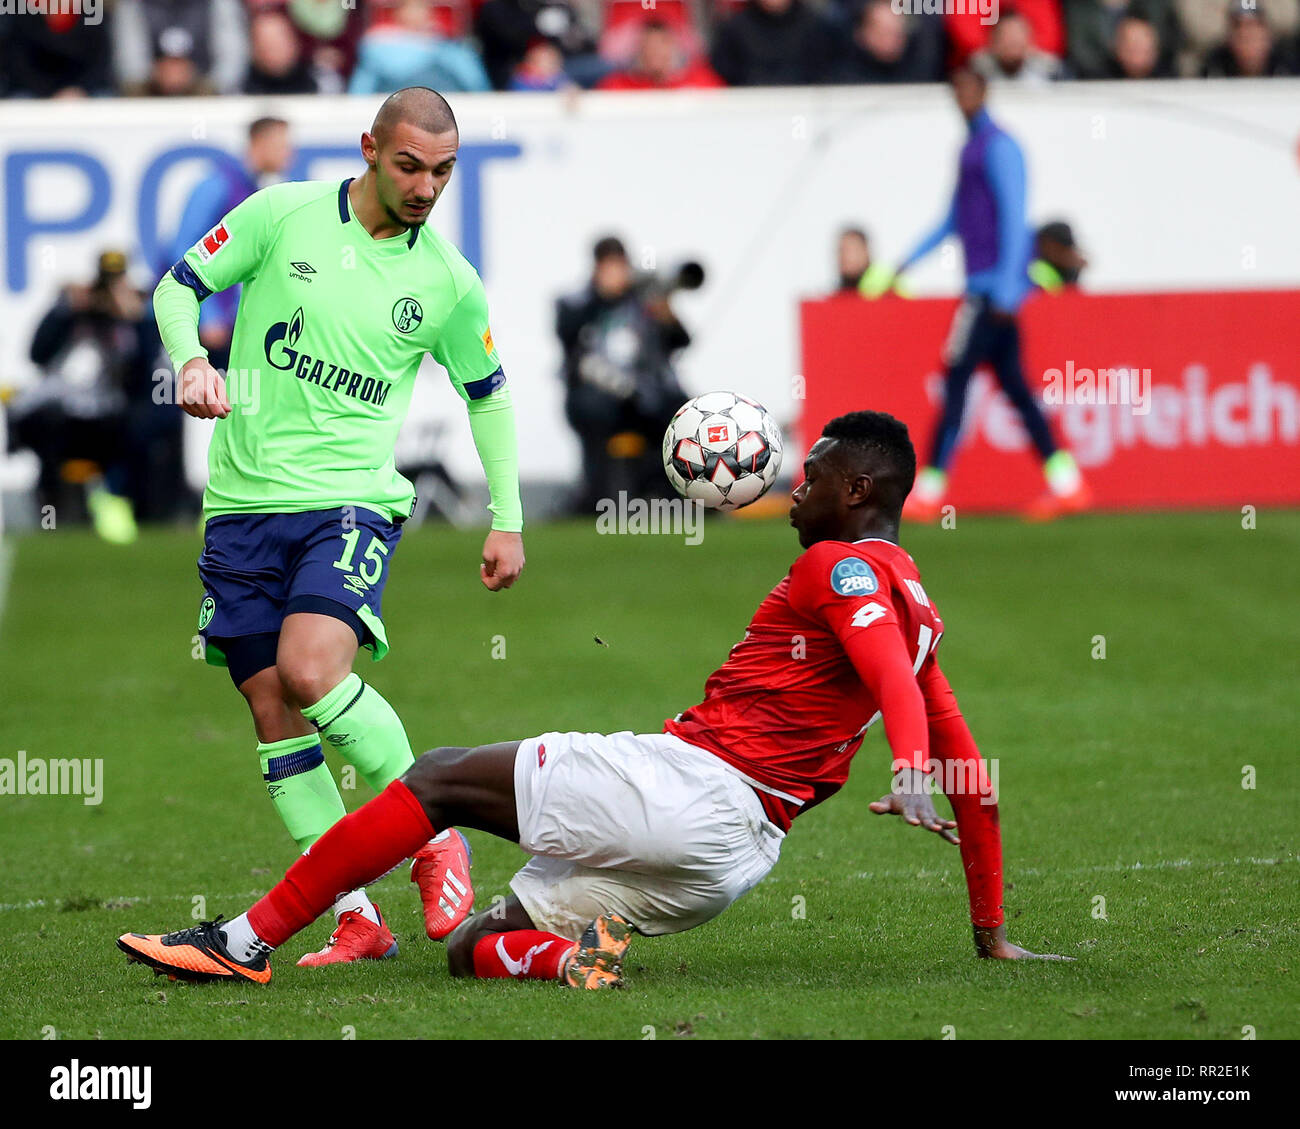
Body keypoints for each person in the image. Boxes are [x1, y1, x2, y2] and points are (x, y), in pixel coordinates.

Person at [118, 410, 1069, 990]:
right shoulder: (917, 602)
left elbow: (892, 683)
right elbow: (974, 777)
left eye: (812, 474)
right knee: (479, 947)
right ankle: (569, 955)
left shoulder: (842, 566)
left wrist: (905, 763)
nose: (794, 487)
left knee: (441, 778)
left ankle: (241, 942)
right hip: (730, 867)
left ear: (857, 488)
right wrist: (990, 933)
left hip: (692, 788)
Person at [149, 87, 526, 966]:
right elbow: (178, 287)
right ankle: (354, 912)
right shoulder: (283, 215)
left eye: (442, 171)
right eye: (408, 165)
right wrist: (192, 360)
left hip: (349, 500)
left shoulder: (447, 281)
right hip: (241, 505)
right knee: (271, 705)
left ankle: (436, 835)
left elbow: (488, 395)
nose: (426, 186)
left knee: (310, 670)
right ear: (368, 148)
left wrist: (507, 518)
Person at [884, 70, 1090, 523]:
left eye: (968, 88)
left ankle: (931, 490)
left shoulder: (1000, 147)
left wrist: (1006, 290)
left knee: (957, 383)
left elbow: (1016, 221)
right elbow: (953, 219)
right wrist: (907, 260)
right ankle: (1068, 483)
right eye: (955, 89)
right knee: (1015, 391)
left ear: (983, 91)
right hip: (987, 292)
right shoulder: (970, 150)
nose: (961, 97)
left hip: (989, 294)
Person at [556, 236, 692, 514]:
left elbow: (681, 341)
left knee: (680, 411)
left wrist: (665, 311)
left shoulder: (644, 301)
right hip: (597, 394)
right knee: (595, 412)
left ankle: (679, 494)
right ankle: (598, 497)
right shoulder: (576, 301)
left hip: (644, 392)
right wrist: (603, 296)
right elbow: (568, 336)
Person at [169, 117, 294, 372]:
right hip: (199, 323)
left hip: (228, 324)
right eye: (283, 145)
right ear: (260, 144)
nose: (289, 154)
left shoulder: (253, 189)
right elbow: (185, 246)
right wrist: (208, 315)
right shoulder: (217, 185)